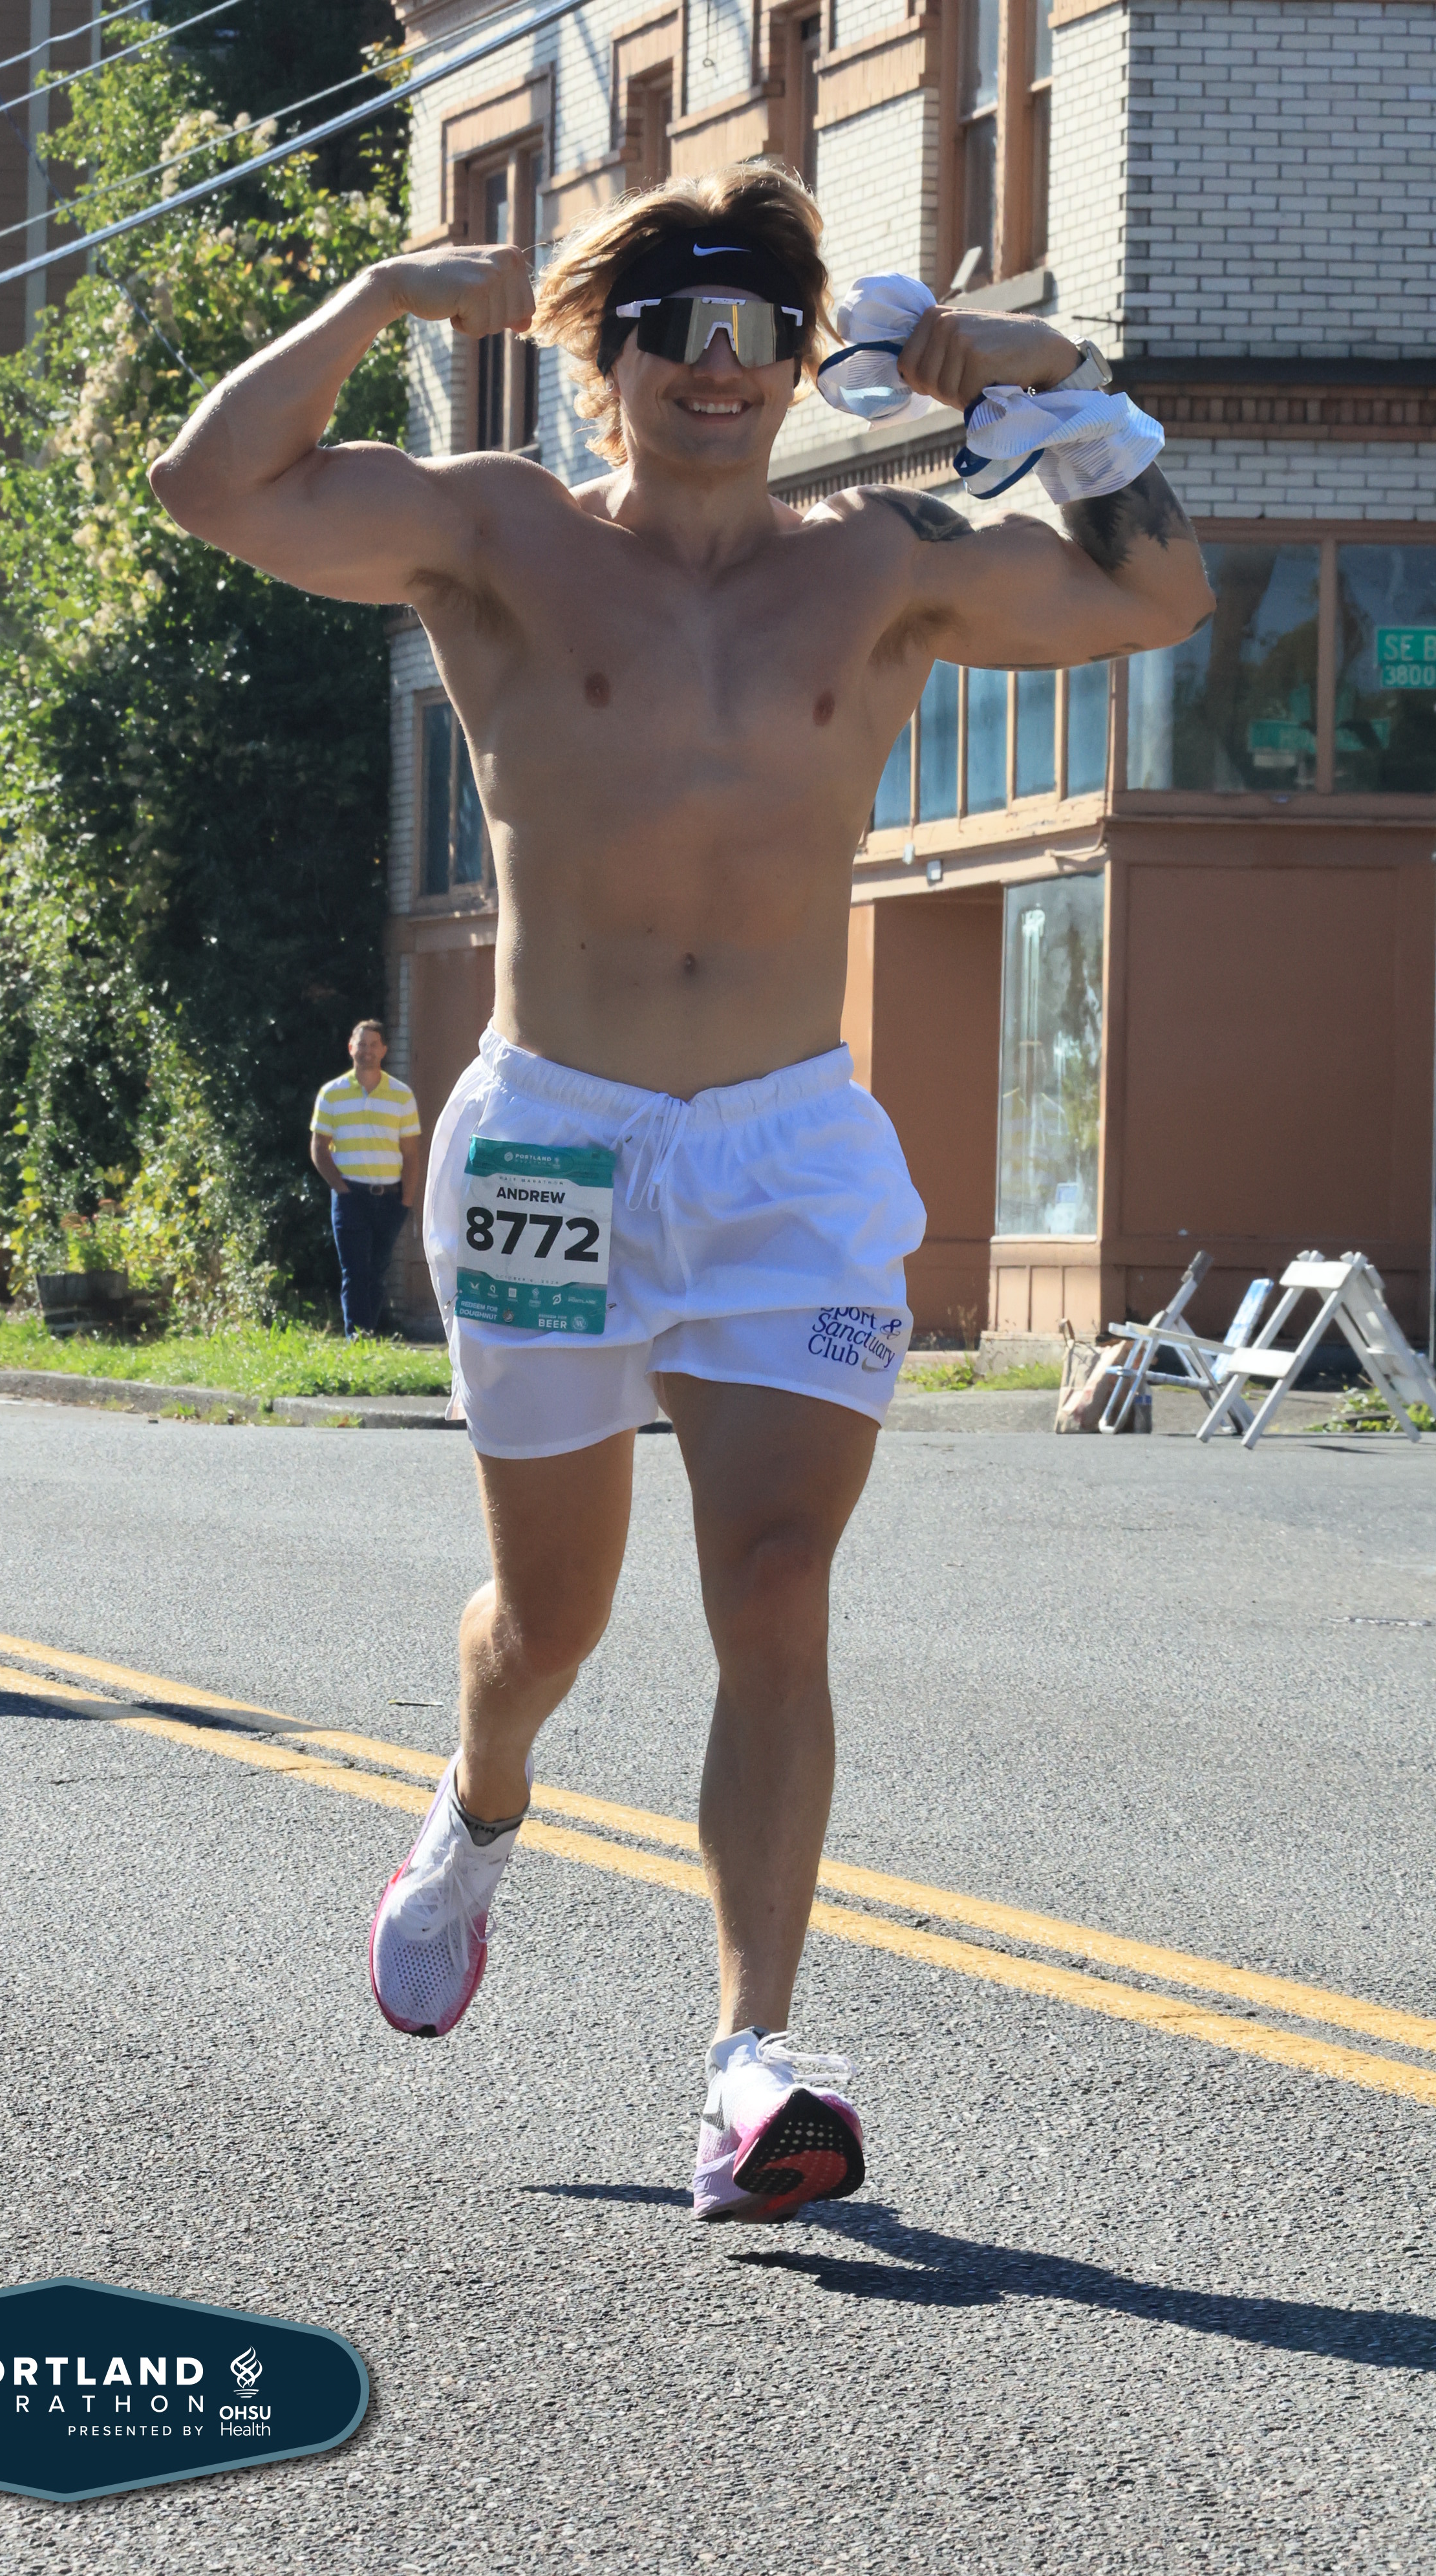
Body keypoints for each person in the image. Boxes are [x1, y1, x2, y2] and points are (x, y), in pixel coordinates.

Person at [151, 163, 1211, 2222]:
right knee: (550, 1618)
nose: (719, 369)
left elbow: (1156, 596)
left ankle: (752, 2068)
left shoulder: (883, 562)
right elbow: (214, 488)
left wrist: (1055, 388)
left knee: (779, 1585)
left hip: (785, 1153)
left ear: (805, 364)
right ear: (608, 356)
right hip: (553, 1141)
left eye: (758, 334)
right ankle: (478, 1806)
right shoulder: (498, 534)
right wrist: (385, 291)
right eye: (679, 332)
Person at [310, 1019, 422, 1338]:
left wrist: (406, 1201)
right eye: (361, 1044)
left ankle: (368, 1334)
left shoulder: (402, 1096)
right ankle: (357, 1337)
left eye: (373, 1045)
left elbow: (411, 1154)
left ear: (384, 1050)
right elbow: (319, 1147)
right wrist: (341, 1189)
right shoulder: (332, 1094)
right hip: (350, 1196)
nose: (367, 1051)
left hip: (390, 1197)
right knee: (355, 1271)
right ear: (351, 1048)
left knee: (378, 1271)